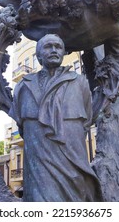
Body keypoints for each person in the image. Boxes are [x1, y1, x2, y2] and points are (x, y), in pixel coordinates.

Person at [9, 34, 102, 202]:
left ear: (64, 52)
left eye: (58, 47)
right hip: (38, 162)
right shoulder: (23, 86)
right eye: (48, 46)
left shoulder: (79, 82)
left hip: (72, 157)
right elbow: (20, 124)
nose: (54, 50)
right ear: (38, 55)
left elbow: (87, 117)